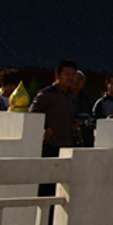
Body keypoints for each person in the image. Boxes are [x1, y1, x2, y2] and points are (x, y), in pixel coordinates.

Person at [30, 59, 79, 197]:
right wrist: (46, 127)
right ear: (57, 75)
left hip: (67, 145)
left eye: (73, 74)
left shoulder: (72, 96)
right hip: (51, 146)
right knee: (46, 188)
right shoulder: (47, 94)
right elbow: (33, 113)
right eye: (67, 74)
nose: (70, 78)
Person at [72, 70, 95, 147]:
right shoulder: (62, 97)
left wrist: (82, 121)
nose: (76, 81)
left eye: (79, 79)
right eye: (74, 78)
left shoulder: (86, 99)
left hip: (84, 137)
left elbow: (92, 118)